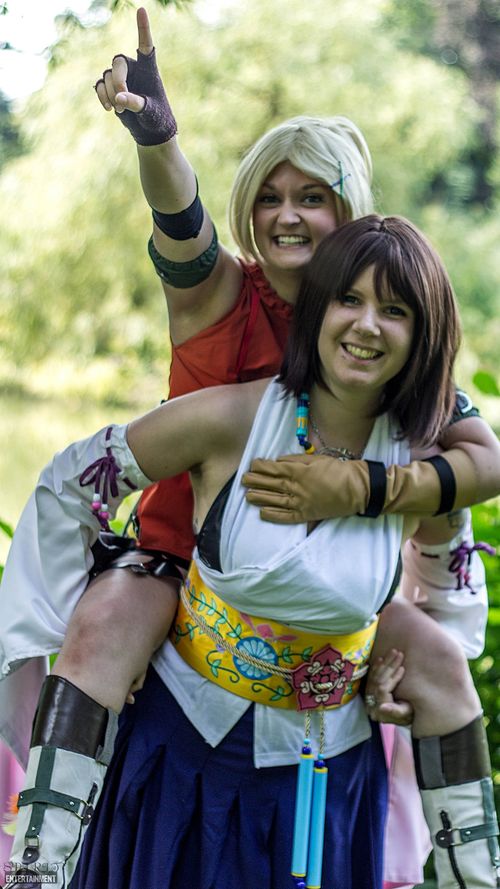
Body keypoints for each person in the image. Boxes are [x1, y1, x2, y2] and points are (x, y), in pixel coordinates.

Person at [1, 8, 499, 886]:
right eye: (270, 196)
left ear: (352, 207)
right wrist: (157, 137)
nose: (287, 215)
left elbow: (475, 463)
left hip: (336, 619)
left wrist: (365, 490)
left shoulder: (393, 343)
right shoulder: (223, 297)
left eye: (312, 196)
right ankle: (38, 860)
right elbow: (182, 225)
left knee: (439, 668)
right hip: (178, 561)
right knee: (103, 634)